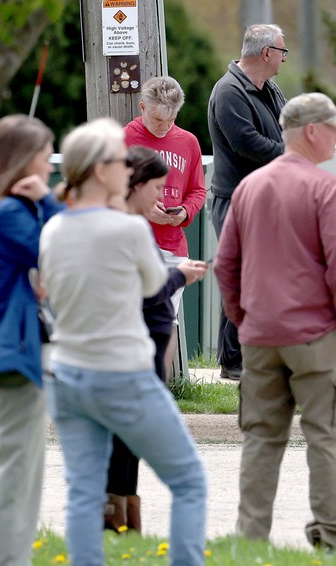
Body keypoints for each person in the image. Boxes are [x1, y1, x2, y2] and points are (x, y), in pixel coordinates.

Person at [39, 118, 207, 565]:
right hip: (121, 374)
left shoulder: (54, 228)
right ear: (99, 171)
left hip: (66, 373)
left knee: (84, 491)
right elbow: (155, 283)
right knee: (188, 480)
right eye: (118, 160)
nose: (126, 167)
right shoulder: (129, 230)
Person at [213, 92, 336, 551]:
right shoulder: (324, 188)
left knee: (261, 439)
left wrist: (243, 319)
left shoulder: (249, 187)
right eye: (332, 128)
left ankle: (251, 540)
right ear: (312, 132)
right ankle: (331, 538)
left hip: (260, 335)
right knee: (326, 439)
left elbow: (225, 265)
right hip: (317, 335)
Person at [0, 114, 63, 565]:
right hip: (13, 355)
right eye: (44, 156)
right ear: (23, 162)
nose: (49, 167)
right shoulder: (7, 213)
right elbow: (60, 247)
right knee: (16, 479)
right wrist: (48, 203)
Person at [103, 146, 209, 533]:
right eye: (157, 187)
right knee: (186, 476)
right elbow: (146, 291)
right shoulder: (126, 228)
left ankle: (120, 527)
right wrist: (181, 275)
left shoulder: (124, 225)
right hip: (130, 359)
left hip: (136, 359)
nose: (161, 196)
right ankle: (116, 526)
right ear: (136, 184)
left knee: (124, 451)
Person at [207, 23, 287, 380]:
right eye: (282, 51)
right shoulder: (229, 91)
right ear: (267, 53)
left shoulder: (270, 89)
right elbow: (246, 143)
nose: (285, 58)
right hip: (236, 200)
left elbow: (286, 127)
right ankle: (234, 361)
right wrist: (293, 154)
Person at [124, 76, 206, 378]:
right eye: (157, 119)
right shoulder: (125, 139)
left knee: (166, 320)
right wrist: (146, 211)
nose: (163, 126)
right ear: (143, 107)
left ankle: (161, 386)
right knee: (132, 317)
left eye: (171, 119)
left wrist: (183, 212)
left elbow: (198, 190)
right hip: (134, 242)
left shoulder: (188, 142)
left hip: (173, 244)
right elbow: (112, 192)